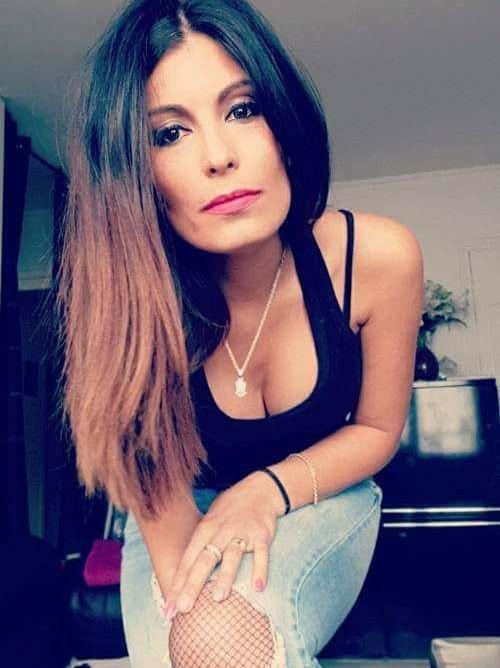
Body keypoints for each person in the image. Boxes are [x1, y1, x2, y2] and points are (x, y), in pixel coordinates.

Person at [57, 0, 423, 666]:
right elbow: (151, 478)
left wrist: (264, 491)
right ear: (133, 173)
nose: (219, 156)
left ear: (283, 121)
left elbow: (376, 430)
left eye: (242, 109)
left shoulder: (375, 257)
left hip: (320, 489)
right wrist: (196, 617)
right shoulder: (127, 299)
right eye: (170, 133)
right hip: (176, 501)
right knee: (205, 638)